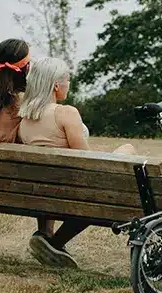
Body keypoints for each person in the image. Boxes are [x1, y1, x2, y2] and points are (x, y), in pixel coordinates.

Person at [16, 56, 138, 268]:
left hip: (39, 191)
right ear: (56, 85)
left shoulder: (24, 118)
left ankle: (46, 236)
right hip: (74, 193)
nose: (68, 84)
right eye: (67, 80)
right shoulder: (66, 113)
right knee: (128, 149)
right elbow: (87, 162)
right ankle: (54, 243)